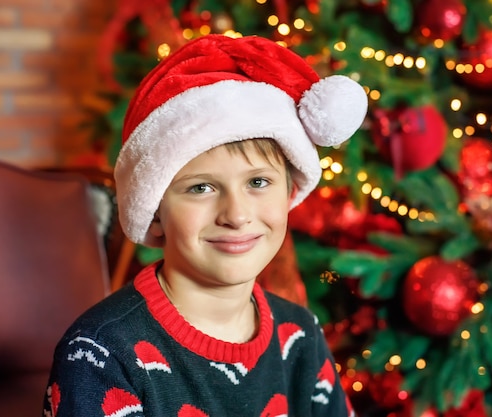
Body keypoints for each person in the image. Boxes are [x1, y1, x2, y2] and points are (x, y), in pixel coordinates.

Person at [42, 34, 367, 417]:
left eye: (258, 182)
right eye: (201, 188)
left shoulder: (300, 335)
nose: (236, 214)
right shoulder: (101, 353)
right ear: (156, 211)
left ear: (289, 191)